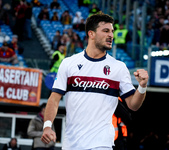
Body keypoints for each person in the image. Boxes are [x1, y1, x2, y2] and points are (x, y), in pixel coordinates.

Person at [41, 11, 148, 150]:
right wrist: (47, 126)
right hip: (72, 144)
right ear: (91, 34)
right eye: (106, 31)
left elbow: (133, 105)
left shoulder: (119, 68)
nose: (111, 35)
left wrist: (142, 86)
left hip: (101, 143)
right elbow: (54, 99)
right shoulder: (69, 64)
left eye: (112, 31)